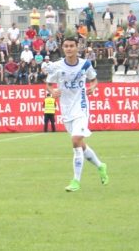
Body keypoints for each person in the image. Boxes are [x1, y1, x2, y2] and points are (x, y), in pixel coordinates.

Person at [45, 36, 108, 192]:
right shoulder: (57, 66)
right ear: (62, 48)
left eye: (72, 46)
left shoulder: (85, 64)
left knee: (75, 141)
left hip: (81, 107)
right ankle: (101, 166)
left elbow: (94, 80)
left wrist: (93, 87)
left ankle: (76, 181)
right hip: (66, 109)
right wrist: (53, 91)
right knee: (80, 144)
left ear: (77, 47)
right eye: (66, 46)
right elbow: (48, 84)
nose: (69, 48)